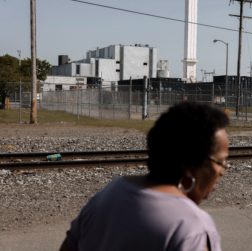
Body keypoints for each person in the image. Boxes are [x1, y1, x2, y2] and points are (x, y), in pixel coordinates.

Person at [59, 101, 229, 251]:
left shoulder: (108, 195)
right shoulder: (191, 228)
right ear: (192, 164)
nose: (222, 170)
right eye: (220, 161)